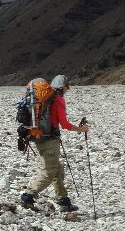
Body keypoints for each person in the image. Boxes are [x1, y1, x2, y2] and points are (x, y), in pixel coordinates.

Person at [20, 74, 88, 212]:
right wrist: (81, 129)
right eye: (67, 87)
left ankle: (63, 200)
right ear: (63, 87)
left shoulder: (44, 98)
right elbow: (65, 124)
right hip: (50, 140)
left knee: (57, 168)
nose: (68, 90)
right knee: (49, 173)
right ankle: (28, 196)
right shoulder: (58, 100)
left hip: (38, 137)